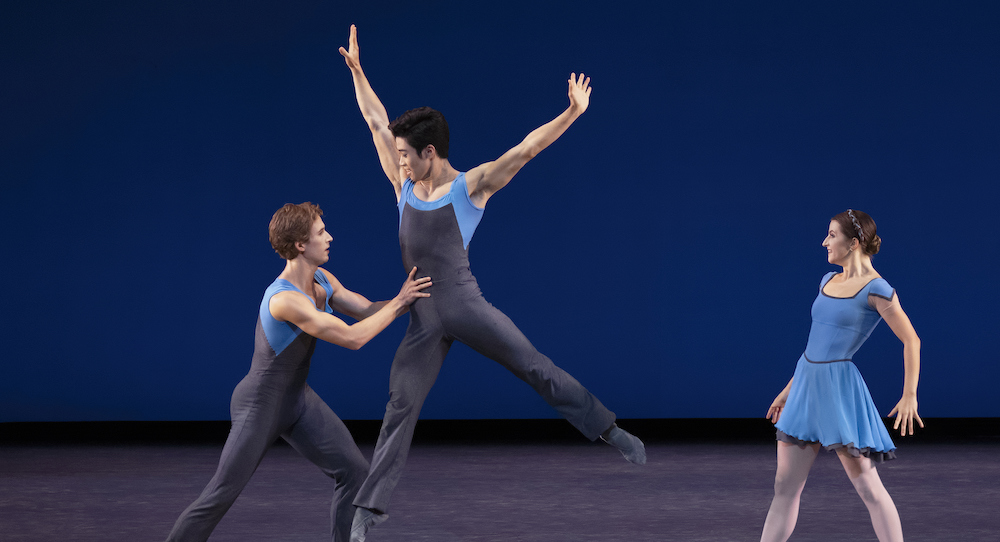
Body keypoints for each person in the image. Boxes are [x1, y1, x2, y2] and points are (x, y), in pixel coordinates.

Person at [339, 25, 645, 540]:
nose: (398, 160)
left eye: (405, 154)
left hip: (465, 306)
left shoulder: (470, 187)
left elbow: (525, 150)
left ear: (429, 151)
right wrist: (358, 72)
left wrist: (572, 112)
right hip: (421, 316)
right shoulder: (403, 186)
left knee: (534, 366)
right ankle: (368, 510)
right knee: (400, 406)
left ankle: (609, 428)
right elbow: (374, 120)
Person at [165, 202, 431, 542]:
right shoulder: (284, 300)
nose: (330, 237)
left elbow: (365, 311)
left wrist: (411, 298)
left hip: (297, 400)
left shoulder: (321, 279)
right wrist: (398, 304)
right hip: (260, 404)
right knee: (220, 494)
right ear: (301, 245)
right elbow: (353, 338)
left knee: (354, 472)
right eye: (321, 233)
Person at [760, 209, 922, 542]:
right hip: (806, 387)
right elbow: (814, 346)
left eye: (832, 235)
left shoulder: (877, 290)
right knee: (784, 487)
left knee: (868, 487)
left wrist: (909, 395)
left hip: (838, 392)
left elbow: (911, 340)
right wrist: (791, 388)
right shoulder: (827, 281)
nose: (824, 242)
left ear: (854, 242)